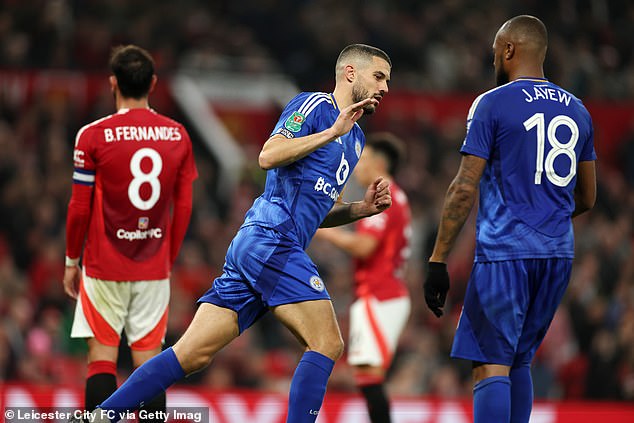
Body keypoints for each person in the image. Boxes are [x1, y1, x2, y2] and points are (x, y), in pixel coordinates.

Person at [84, 43, 392, 423]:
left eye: (388, 81)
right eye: (378, 77)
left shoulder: (355, 139)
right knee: (327, 343)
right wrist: (329, 132)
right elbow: (268, 155)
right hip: (270, 237)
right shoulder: (315, 108)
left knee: (191, 354)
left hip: (271, 245)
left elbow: (320, 208)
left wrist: (361, 210)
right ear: (350, 73)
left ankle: (101, 416)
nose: (385, 88)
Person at [422, 15, 596, 423]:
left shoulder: (492, 103)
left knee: (490, 363)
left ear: (509, 50)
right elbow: (587, 196)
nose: (493, 59)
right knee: (520, 359)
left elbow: (465, 186)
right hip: (557, 254)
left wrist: (438, 259)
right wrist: (547, 214)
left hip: (506, 252)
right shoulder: (580, 110)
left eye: (494, 52)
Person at [63, 45, 198, 418]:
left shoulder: (92, 135)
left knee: (102, 358)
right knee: (149, 363)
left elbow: (79, 208)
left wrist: (71, 260)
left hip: (104, 262)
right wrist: (167, 256)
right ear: (153, 83)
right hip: (153, 263)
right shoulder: (178, 135)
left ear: (112, 83)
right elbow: (183, 206)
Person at [315, 132, 411, 423]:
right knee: (367, 376)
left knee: (369, 376)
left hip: (379, 294)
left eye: (364, 159)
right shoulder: (396, 195)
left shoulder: (386, 194)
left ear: (379, 163)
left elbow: (365, 246)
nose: (358, 165)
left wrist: (326, 230)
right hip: (381, 293)